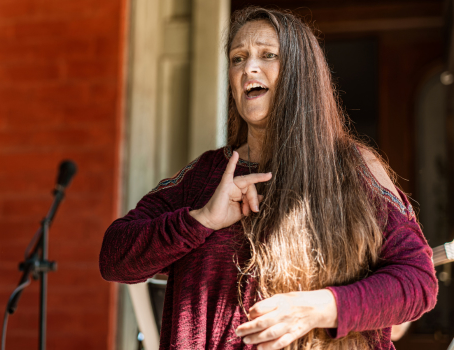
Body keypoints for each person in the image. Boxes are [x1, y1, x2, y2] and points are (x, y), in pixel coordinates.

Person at [100, 6, 437, 350]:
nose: (249, 68)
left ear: (299, 73)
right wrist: (200, 220)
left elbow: (418, 281)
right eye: (237, 58)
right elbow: (114, 258)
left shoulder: (353, 168)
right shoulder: (205, 177)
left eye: (268, 55)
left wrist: (320, 308)